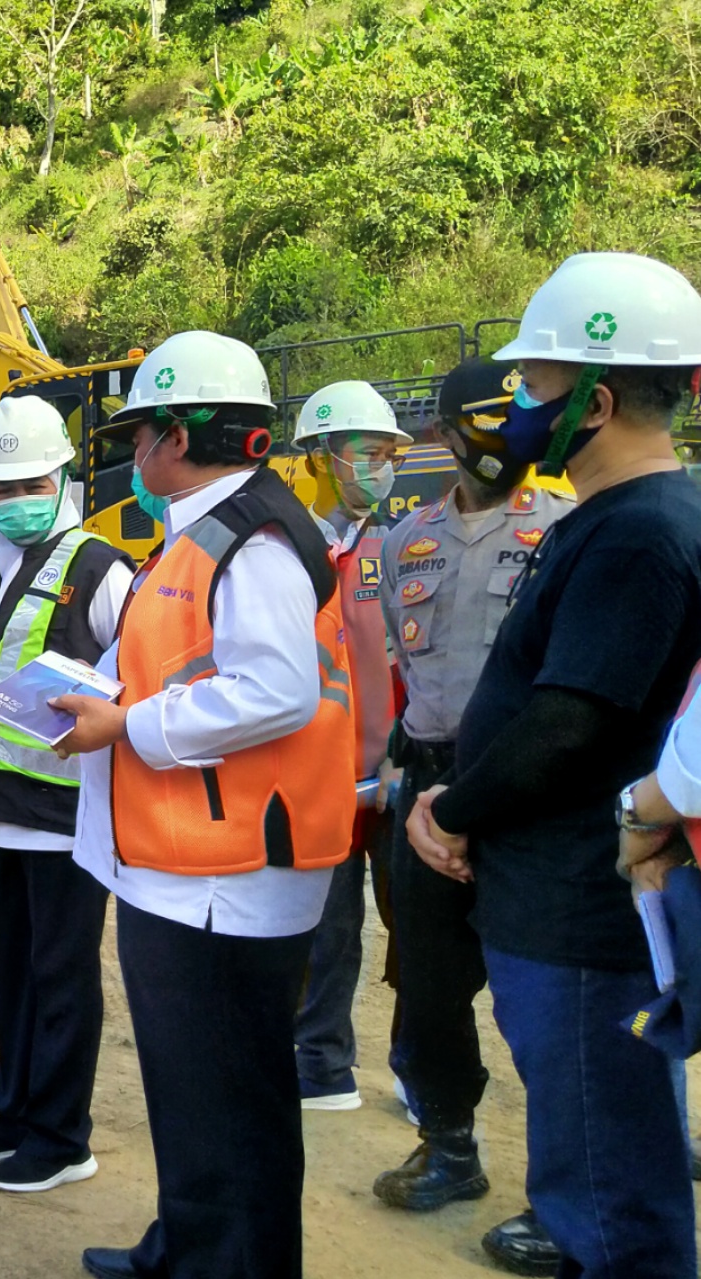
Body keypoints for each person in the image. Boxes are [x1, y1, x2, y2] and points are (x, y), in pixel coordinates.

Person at [406, 252, 701, 1279]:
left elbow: (571, 724)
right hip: (558, 902)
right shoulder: (617, 521)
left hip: (582, 919)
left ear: (599, 399)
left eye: (534, 385)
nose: (515, 405)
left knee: (609, 1203)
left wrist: (452, 804)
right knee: (590, 1187)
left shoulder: (638, 537)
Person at [54, 330, 357, 1279]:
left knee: (232, 1103)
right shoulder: (202, 530)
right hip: (187, 863)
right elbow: (179, 661)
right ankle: (185, 1249)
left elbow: (275, 689)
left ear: (176, 436)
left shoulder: (251, 539)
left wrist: (128, 725)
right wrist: (95, 693)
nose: (133, 453)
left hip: (227, 874)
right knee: (194, 1093)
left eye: (140, 432)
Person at [372, 359, 573, 1275]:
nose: (493, 441)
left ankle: (564, 1192)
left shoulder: (567, 528)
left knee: (548, 1000)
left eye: (511, 420)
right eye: (475, 424)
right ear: (445, 434)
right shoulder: (401, 541)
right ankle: (449, 1143)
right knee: (430, 987)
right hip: (425, 788)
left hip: (529, 794)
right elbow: (400, 678)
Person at [0, 396, 134, 1192]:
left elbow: (137, 682)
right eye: (0, 487)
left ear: (62, 475)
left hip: (69, 813)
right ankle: (13, 1111)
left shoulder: (101, 568)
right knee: (8, 967)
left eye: (29, 483)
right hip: (0, 809)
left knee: (60, 974)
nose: (14, 501)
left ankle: (61, 1134)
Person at [291, 380, 410, 1112]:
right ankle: (322, 1060)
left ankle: (422, 1068)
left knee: (420, 936)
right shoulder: (288, 553)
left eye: (389, 453)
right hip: (319, 781)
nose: (382, 466)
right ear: (319, 458)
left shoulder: (400, 549)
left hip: (395, 775)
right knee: (325, 930)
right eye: (368, 453)